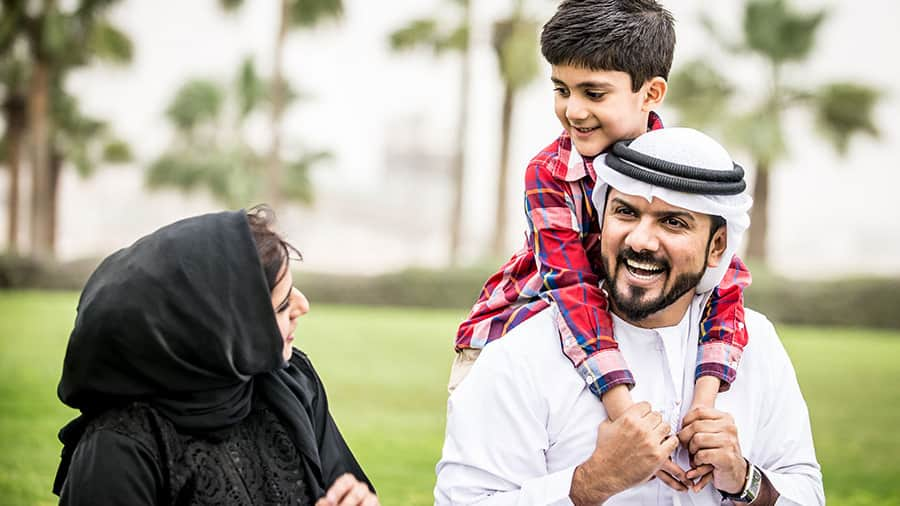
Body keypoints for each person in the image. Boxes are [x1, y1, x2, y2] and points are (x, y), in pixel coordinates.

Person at [435, 128, 824, 505]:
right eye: (625, 212)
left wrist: (745, 481)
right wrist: (590, 483)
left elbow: (807, 490)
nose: (640, 240)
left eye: (673, 221)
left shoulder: (755, 342)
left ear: (716, 246)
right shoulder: (522, 355)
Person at [452, 0, 752, 444]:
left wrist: (702, 404)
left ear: (650, 94)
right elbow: (571, 288)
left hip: (614, 338)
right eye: (561, 89)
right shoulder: (550, 172)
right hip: (516, 331)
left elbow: (723, 281)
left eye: (593, 94)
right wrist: (623, 412)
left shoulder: (687, 169)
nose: (573, 110)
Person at [53, 206, 379, 506]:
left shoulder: (290, 383)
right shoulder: (120, 449)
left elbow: (343, 486)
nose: (302, 306)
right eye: (281, 305)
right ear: (219, 328)